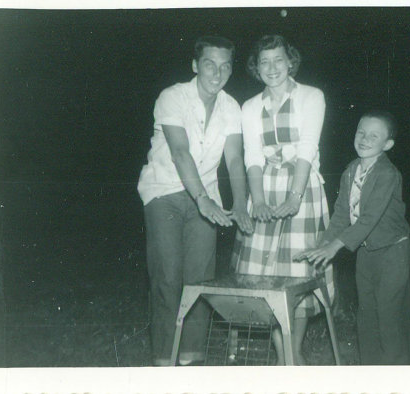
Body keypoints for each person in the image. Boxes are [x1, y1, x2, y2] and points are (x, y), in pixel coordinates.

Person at [137, 35, 253, 367]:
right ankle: (163, 361)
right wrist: (202, 199)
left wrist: (241, 203)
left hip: (208, 197)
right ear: (195, 66)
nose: (217, 73)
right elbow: (179, 151)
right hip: (165, 192)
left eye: (225, 65)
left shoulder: (231, 107)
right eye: (209, 64)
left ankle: (191, 361)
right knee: (168, 278)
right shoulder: (172, 97)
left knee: (200, 281)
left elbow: (234, 159)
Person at [230, 34, 333, 365]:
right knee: (261, 273)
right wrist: (257, 200)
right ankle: (282, 352)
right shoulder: (249, 107)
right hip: (265, 189)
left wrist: (295, 196)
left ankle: (292, 353)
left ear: (291, 62)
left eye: (278, 60)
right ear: (255, 68)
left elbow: (307, 148)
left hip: (302, 189)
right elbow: (252, 157)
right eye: (264, 61)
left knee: (296, 273)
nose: (272, 68)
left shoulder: (311, 97)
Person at [294, 110, 410, 365]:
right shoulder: (351, 170)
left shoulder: (388, 174)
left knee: (388, 314)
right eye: (361, 132)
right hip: (366, 252)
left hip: (393, 252)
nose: (365, 139)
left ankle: (396, 373)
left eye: (374, 136)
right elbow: (341, 215)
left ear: (387, 145)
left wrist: (335, 247)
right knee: (366, 314)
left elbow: (369, 218)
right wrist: (322, 245)